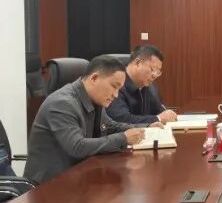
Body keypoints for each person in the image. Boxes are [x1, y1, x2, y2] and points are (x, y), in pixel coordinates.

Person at [25, 55, 149, 183]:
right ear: (94, 78)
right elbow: (77, 147)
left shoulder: (94, 99)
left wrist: (146, 127)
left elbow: (109, 126)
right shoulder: (62, 103)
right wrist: (123, 138)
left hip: (77, 176)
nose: (116, 95)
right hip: (49, 185)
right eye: (114, 86)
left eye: (119, 89)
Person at [107, 45, 176, 125]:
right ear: (138, 63)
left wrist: (167, 115)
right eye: (152, 69)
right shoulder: (117, 84)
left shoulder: (149, 86)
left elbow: (159, 111)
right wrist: (158, 118)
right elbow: (120, 119)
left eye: (158, 72)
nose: (154, 75)